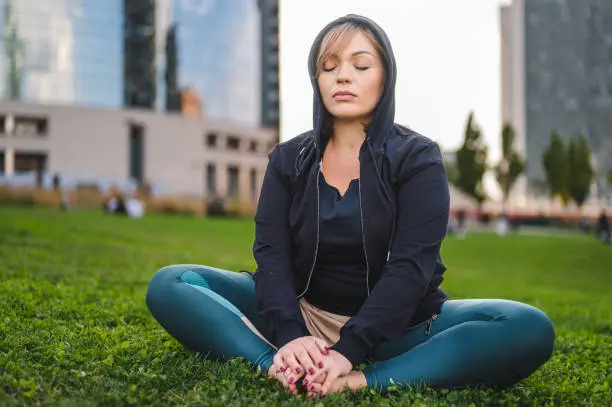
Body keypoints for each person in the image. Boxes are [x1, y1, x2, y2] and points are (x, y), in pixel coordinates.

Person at [145, 14, 555, 398]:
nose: (343, 75)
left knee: (527, 326)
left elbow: (412, 268)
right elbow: (271, 256)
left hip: (398, 327)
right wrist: (290, 335)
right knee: (171, 283)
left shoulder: (418, 158)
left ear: (385, 77)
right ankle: (277, 366)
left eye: (361, 65)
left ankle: (362, 381)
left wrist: (348, 352)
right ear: (317, 79)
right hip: (302, 313)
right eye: (329, 66)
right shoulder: (288, 159)